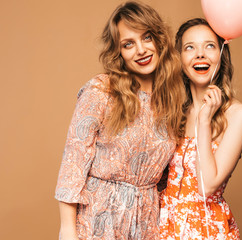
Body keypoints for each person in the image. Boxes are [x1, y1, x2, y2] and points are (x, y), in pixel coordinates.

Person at [55, 1, 185, 239]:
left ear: (159, 40)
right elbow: (74, 161)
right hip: (97, 218)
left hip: (147, 224)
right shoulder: (102, 90)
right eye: (128, 44)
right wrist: (67, 229)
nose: (141, 50)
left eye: (147, 38)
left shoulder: (172, 100)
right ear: (119, 53)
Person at [159, 18, 242, 239]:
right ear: (180, 59)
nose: (200, 54)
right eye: (190, 47)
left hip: (207, 229)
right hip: (162, 227)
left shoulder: (238, 114)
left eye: (209, 45)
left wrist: (204, 121)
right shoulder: (172, 112)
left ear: (221, 55)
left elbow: (206, 186)